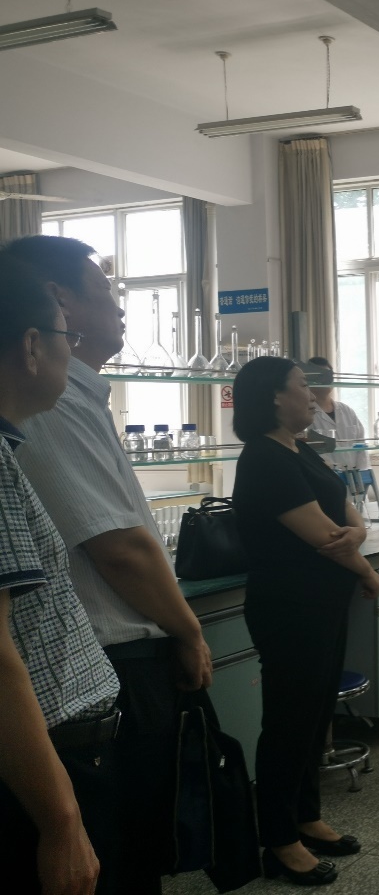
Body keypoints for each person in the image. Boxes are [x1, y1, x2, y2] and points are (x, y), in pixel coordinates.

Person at [1, 235, 214, 894]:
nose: (119, 308)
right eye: (102, 295)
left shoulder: (49, 415)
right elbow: (117, 546)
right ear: (39, 334)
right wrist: (62, 819)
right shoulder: (47, 415)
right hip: (80, 701)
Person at [231, 356, 379, 886]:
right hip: (289, 607)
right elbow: (322, 535)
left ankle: (306, 815)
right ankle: (278, 839)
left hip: (322, 603)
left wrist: (358, 534)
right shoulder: (263, 458)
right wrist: (368, 570)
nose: (313, 396)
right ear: (275, 396)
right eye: (302, 386)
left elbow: (346, 509)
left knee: (317, 716)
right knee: (290, 721)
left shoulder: (300, 449)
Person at [0, 264, 122, 895]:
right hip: (43, 766)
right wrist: (62, 823)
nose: (71, 352)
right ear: (31, 345)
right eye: (65, 337)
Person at [306, 355, 371, 473]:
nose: (326, 380)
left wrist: (362, 475)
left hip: (355, 478)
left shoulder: (347, 411)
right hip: (326, 477)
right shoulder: (305, 414)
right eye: (320, 375)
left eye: (328, 375)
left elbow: (361, 447)